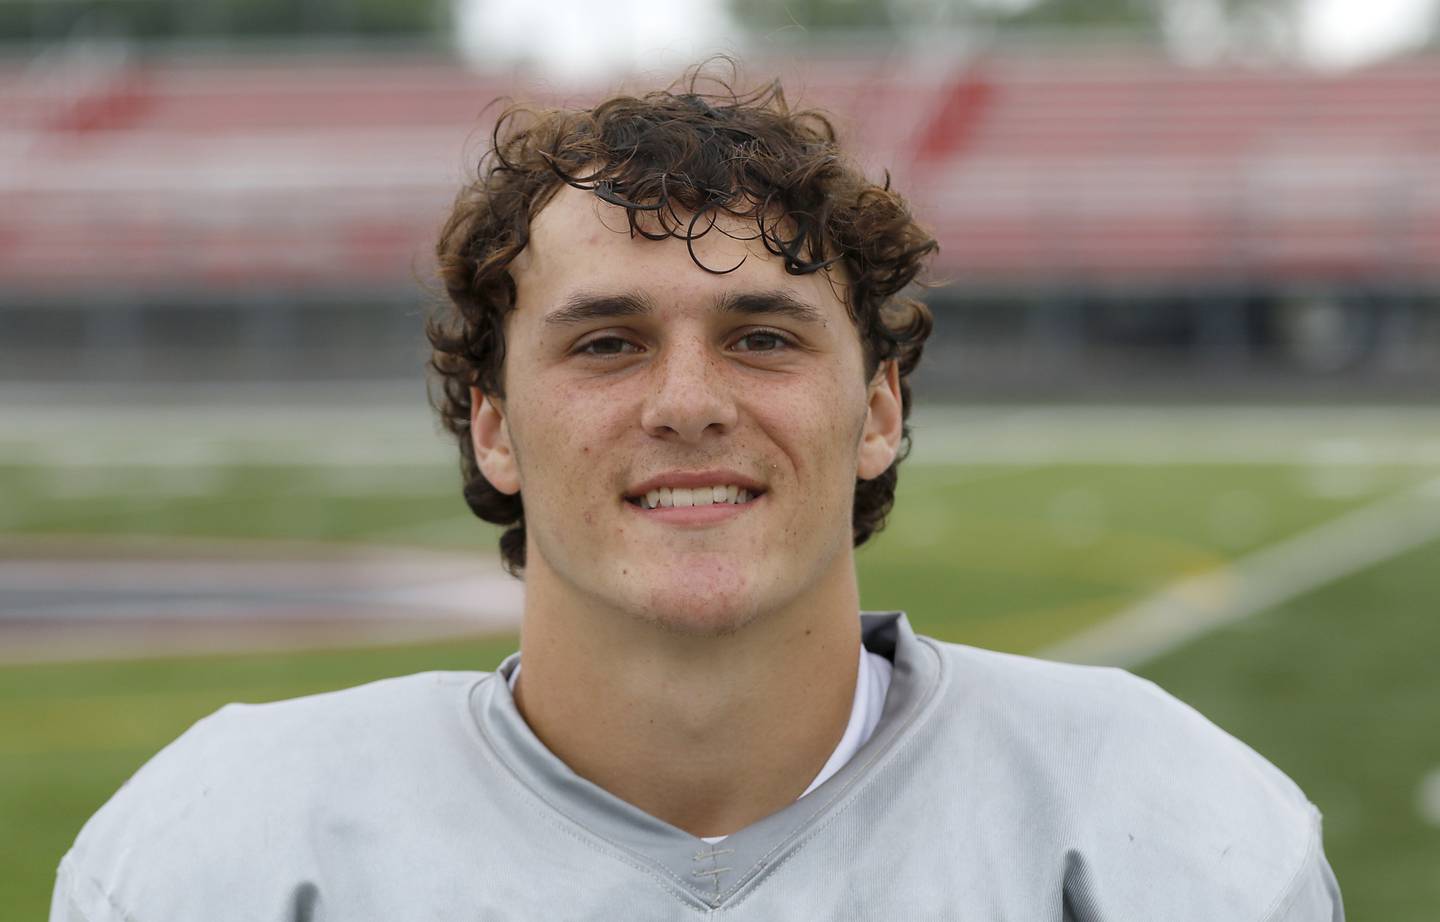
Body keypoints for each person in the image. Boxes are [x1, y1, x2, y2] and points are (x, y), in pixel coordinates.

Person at [52, 66, 1343, 920]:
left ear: (880, 408)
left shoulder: (1162, 818)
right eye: (606, 341)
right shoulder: (227, 844)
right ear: (493, 427)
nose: (687, 401)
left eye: (764, 337)